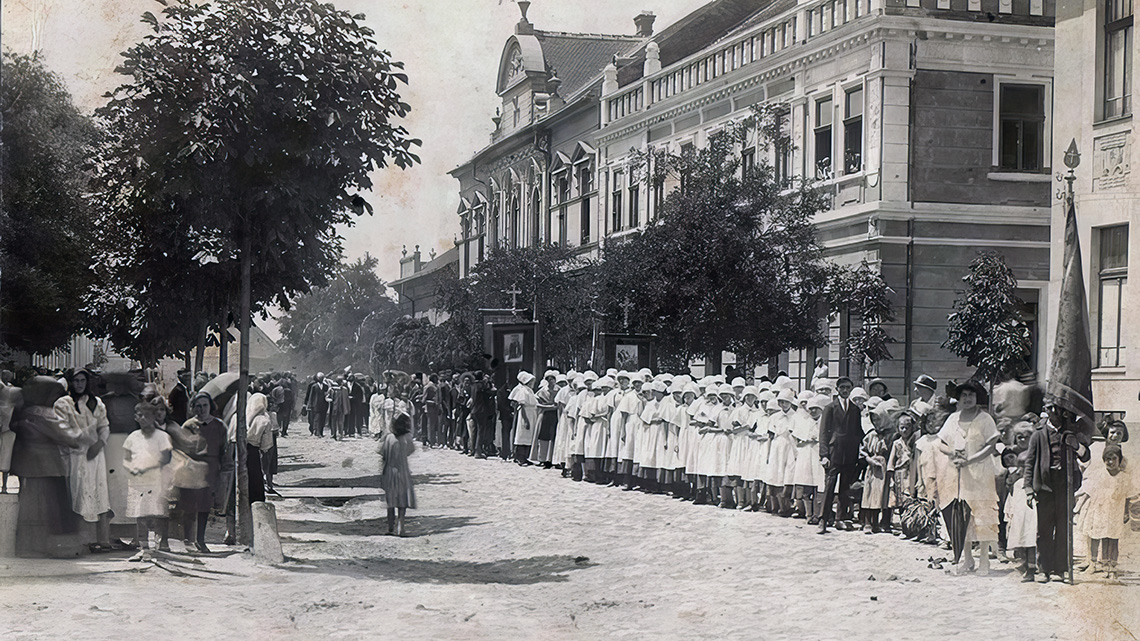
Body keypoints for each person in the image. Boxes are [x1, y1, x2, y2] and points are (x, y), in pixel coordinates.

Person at [11, 376, 86, 557]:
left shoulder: (24, 411)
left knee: (31, 508)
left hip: (29, 468)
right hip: (49, 467)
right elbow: (71, 438)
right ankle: (58, 548)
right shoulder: (45, 413)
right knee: (54, 510)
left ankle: (29, 547)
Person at [937, 380, 1000, 575]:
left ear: (976, 397)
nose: (967, 399)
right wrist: (952, 454)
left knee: (982, 515)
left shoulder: (985, 419)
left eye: (971, 395)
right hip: (958, 474)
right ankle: (967, 558)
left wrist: (971, 460)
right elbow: (941, 443)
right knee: (962, 514)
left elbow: (991, 445)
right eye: (964, 395)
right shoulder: (953, 419)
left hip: (981, 474)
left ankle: (984, 560)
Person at [1024, 402, 1090, 583]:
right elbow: (1029, 462)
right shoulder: (1038, 434)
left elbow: (1086, 456)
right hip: (1045, 486)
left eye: (1058, 409)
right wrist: (1028, 489)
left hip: (1065, 486)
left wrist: (1075, 445)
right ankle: (1044, 569)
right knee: (1044, 530)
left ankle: (1061, 569)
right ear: (1045, 411)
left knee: (1064, 528)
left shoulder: (1072, 432)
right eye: (1050, 408)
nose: (1055, 412)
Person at [54, 369, 113, 553]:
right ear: (70, 382)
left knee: (99, 493)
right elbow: (62, 429)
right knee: (78, 494)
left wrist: (100, 442)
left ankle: (101, 540)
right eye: (76, 381)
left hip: (96, 456)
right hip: (76, 455)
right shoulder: (63, 403)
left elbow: (104, 425)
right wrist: (83, 438)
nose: (79, 384)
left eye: (82, 380)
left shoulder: (96, 402)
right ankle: (82, 541)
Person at [176, 392, 227, 552]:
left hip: (211, 469)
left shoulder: (219, 425)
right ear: (193, 407)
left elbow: (224, 449)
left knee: (205, 505)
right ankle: (187, 539)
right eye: (198, 406)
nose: (202, 409)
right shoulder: (188, 425)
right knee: (189, 505)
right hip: (191, 468)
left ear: (210, 406)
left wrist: (223, 470)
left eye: (205, 405)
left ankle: (201, 540)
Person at [1074, 445, 1135, 579]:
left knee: (1113, 537)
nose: (1110, 462)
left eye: (1113, 458)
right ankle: (1094, 563)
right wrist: (1078, 508)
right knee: (1097, 535)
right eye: (1107, 459)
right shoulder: (1099, 475)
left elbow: (1128, 496)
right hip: (1100, 510)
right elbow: (1089, 491)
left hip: (1115, 512)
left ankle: (1111, 566)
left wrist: (1126, 512)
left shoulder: (1124, 477)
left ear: (1119, 460)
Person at [123, 400, 174, 554]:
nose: (143, 418)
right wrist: (131, 468)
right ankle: (144, 546)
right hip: (138, 481)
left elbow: (166, 458)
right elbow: (126, 458)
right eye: (140, 415)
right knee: (141, 512)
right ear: (135, 417)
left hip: (157, 479)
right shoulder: (132, 437)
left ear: (153, 417)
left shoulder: (162, 436)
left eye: (147, 415)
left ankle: (161, 542)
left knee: (159, 511)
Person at [818, 377, 863, 533]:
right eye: (842, 387)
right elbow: (823, 433)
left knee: (845, 488)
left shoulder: (855, 409)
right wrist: (824, 455)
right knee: (829, 486)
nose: (845, 390)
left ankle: (840, 519)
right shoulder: (830, 408)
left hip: (850, 454)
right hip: (834, 454)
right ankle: (823, 519)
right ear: (837, 389)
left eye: (848, 388)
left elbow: (858, 432)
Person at [379, 413, 417, 536]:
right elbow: (410, 451)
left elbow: (383, 453)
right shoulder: (407, 438)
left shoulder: (389, 438)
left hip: (390, 471)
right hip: (403, 471)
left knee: (390, 500)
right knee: (402, 500)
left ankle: (390, 527)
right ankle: (401, 526)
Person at [508, 371, 540, 465]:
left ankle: (526, 456)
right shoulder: (523, 391)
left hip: (532, 414)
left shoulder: (530, 391)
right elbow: (521, 406)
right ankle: (520, 457)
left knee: (529, 436)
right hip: (526, 414)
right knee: (522, 435)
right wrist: (525, 420)